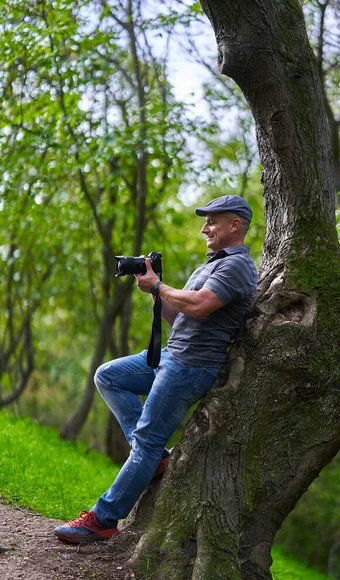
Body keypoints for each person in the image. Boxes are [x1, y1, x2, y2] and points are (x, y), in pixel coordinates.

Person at [54, 195, 258, 544]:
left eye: (212, 221)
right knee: (108, 376)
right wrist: (154, 292)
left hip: (191, 367)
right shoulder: (209, 265)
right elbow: (179, 318)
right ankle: (154, 459)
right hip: (171, 356)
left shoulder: (237, 267)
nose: (204, 227)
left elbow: (198, 305)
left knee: (146, 441)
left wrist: (161, 286)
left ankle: (102, 519)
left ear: (234, 224)